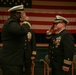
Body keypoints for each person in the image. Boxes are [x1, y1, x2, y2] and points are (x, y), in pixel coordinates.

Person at [0, 4, 36, 75]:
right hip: (11, 61)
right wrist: (26, 21)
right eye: (22, 13)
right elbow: (22, 31)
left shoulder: (14, 23)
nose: (24, 15)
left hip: (14, 61)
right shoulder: (11, 23)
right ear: (17, 14)